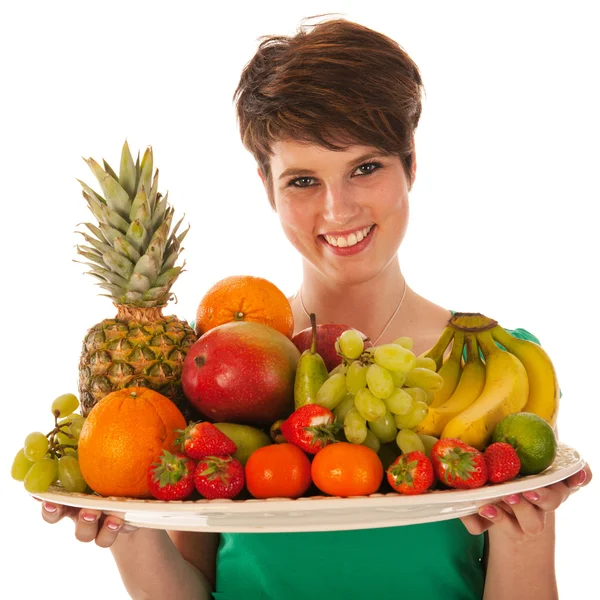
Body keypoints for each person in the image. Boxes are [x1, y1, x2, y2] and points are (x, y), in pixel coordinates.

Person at [40, 18, 592, 600]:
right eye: (303, 180)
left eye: (365, 168)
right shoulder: (214, 368)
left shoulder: (499, 368)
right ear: (267, 187)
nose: (338, 209)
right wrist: (128, 531)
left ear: (411, 164)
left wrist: (526, 533)